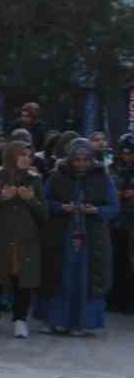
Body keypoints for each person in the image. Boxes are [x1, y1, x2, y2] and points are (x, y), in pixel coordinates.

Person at [41, 138, 119, 336]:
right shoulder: (57, 177)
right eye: (77, 159)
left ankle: (84, 322)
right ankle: (58, 320)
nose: (82, 163)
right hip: (62, 236)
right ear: (70, 159)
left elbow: (113, 207)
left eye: (86, 159)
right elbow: (43, 202)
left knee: (87, 279)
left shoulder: (102, 178)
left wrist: (97, 210)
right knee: (61, 276)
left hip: (92, 239)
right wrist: (61, 207)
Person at [0, 141, 46, 338]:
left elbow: (44, 213)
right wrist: (1, 198)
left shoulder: (34, 179)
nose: (26, 159)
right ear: (10, 156)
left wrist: (30, 199)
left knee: (22, 281)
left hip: (25, 238)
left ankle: (20, 320)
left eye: (28, 155)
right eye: (21, 154)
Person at [110, 134, 134, 313]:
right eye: (126, 152)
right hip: (116, 220)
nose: (128, 156)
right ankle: (117, 298)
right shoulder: (113, 168)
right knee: (117, 260)